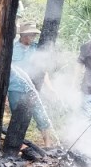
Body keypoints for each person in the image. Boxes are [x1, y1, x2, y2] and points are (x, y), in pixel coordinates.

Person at [4, 22, 56, 156]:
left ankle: (48, 146)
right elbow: (6, 71)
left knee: (41, 116)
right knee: (18, 118)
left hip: (32, 90)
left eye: (34, 34)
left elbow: (42, 70)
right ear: (22, 35)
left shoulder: (36, 48)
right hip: (15, 88)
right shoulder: (12, 49)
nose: (32, 37)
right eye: (30, 34)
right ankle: (17, 146)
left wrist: (50, 88)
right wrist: (4, 95)